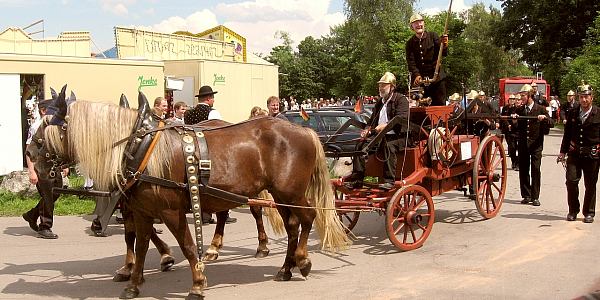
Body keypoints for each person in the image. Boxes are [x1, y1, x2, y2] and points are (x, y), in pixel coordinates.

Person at [345, 72, 410, 189]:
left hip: (398, 136)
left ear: (392, 87)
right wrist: (367, 130)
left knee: (388, 145)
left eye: (383, 85)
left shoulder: (401, 100)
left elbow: (402, 118)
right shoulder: (380, 102)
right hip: (379, 136)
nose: (380, 88)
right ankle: (357, 180)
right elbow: (372, 121)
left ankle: (389, 181)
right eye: (380, 85)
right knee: (360, 145)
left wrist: (385, 126)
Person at [184, 86, 236, 224]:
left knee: (196, 182)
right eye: (212, 98)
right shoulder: (213, 113)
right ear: (208, 99)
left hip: (192, 151)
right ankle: (218, 211)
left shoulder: (188, 113)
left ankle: (202, 214)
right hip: (208, 150)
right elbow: (220, 133)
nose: (213, 100)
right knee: (212, 182)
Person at [558, 83, 599, 223]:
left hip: (592, 155)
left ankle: (589, 212)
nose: (584, 100)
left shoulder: (598, 113)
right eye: (581, 97)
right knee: (571, 181)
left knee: (590, 184)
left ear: (592, 98)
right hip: (574, 153)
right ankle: (573, 210)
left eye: (586, 97)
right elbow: (567, 134)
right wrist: (562, 152)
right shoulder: (573, 112)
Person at [22, 99, 63, 239]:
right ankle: (44, 227)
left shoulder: (53, 125)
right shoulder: (37, 126)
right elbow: (29, 149)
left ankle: (32, 215)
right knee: (48, 196)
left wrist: (63, 165)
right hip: (40, 167)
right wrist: (31, 171)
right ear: (43, 111)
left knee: (56, 193)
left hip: (53, 166)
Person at [514, 84, 553, 207]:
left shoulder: (540, 109)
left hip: (536, 145)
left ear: (530, 95)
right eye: (521, 96)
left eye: (523, 95)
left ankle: (535, 196)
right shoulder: (520, 110)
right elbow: (515, 126)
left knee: (535, 170)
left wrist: (545, 119)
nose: (521, 98)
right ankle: (526, 195)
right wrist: (514, 119)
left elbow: (551, 123)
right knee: (524, 170)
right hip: (523, 144)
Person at [406, 13, 449, 106]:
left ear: (424, 23)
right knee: (423, 108)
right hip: (422, 83)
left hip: (437, 80)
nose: (418, 25)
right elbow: (411, 62)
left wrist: (444, 44)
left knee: (440, 106)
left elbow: (443, 53)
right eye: (415, 23)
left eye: (420, 22)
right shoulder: (409, 43)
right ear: (412, 27)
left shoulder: (433, 36)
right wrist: (416, 75)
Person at [500, 94, 519, 170]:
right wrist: (507, 125)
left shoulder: (516, 108)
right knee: (511, 147)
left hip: (516, 130)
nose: (512, 100)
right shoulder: (505, 108)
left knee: (517, 147)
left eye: (513, 99)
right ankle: (513, 162)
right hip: (508, 130)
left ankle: (517, 163)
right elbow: (503, 118)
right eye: (511, 99)